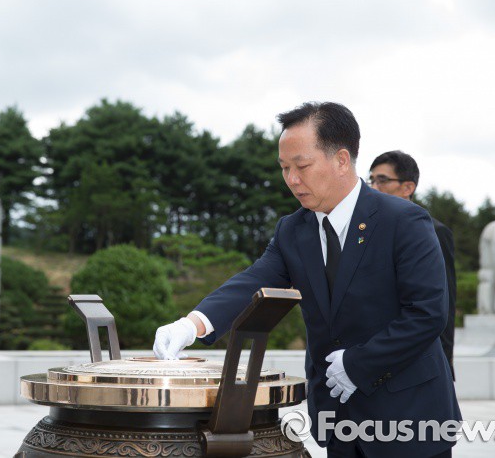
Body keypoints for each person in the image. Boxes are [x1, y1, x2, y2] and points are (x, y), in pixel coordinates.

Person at [153, 102, 461, 457]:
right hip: (340, 418)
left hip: (409, 416)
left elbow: (427, 313)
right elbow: (255, 280)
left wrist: (358, 364)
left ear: (341, 160)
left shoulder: (403, 221)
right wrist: (193, 324)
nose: (292, 179)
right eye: (284, 168)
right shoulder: (293, 229)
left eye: (301, 166)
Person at [368, 151, 456, 380]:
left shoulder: (434, 231)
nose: (374, 187)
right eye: (371, 180)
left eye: (382, 180)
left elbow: (444, 305)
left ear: (408, 187)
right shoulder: (369, 230)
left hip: (422, 362)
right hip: (377, 360)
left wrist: (445, 365)